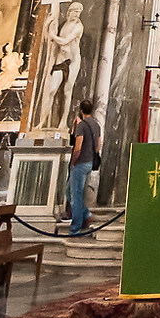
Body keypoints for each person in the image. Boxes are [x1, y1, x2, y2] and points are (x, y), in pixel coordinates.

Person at [67, 100, 100, 236]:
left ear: (81, 110)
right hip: (90, 162)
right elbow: (98, 146)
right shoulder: (96, 125)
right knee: (68, 191)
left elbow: (77, 147)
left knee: (75, 195)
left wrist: (73, 161)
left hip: (80, 163)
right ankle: (86, 214)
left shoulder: (82, 126)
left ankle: (76, 228)